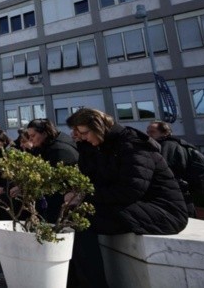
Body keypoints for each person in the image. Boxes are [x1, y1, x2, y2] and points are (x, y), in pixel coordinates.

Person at [65, 108, 188, 288]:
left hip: (163, 211)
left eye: (84, 133)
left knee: (82, 219)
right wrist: (85, 150)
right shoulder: (101, 146)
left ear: (98, 127)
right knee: (71, 215)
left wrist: (84, 196)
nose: (82, 138)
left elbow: (130, 190)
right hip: (135, 205)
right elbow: (94, 179)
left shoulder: (132, 144)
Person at [25, 119, 79, 223]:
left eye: (33, 136)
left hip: (63, 199)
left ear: (44, 133)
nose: (31, 140)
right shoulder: (46, 145)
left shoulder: (60, 150)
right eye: (29, 136)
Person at [146, 120, 196, 217]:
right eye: (148, 132)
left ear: (165, 133)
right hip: (183, 195)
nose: (148, 134)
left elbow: (163, 171)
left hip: (175, 198)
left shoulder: (167, 146)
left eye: (152, 132)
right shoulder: (180, 144)